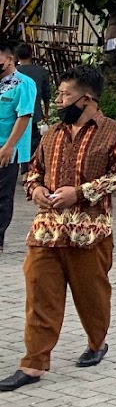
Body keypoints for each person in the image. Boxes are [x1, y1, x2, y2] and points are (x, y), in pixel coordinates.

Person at [0, 66, 116, 392]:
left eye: (64, 95)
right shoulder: (52, 133)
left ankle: (97, 342)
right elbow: (35, 171)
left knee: (92, 297)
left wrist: (80, 192)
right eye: (58, 94)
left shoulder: (115, 133)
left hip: (90, 232)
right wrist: (36, 190)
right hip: (46, 230)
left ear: (86, 99)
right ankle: (33, 364)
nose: (58, 101)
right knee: (40, 295)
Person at [0, 41, 37, 255]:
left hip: (7, 149)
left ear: (10, 59)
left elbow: (24, 116)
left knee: (2, 196)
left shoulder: (24, 84)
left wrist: (9, 146)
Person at [14, 43, 50, 160]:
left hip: (14, 114)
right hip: (33, 114)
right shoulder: (41, 72)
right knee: (32, 144)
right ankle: (29, 169)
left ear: (16, 56)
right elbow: (46, 95)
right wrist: (46, 112)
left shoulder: (13, 72)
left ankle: (18, 167)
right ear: (31, 54)